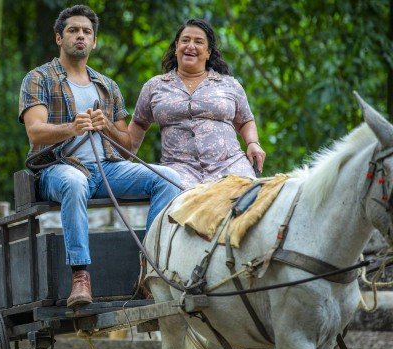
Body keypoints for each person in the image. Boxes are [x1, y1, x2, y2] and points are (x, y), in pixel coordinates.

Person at [18, 5, 182, 308]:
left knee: (169, 178)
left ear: (94, 41)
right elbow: (35, 132)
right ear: (59, 38)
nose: (80, 36)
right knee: (74, 183)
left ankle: (149, 268)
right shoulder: (38, 78)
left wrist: (106, 124)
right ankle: (80, 275)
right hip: (59, 168)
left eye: (86, 32)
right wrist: (72, 127)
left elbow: (127, 147)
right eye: (73, 30)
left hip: (108, 168)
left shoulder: (107, 86)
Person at [128, 18, 266, 191]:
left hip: (230, 166)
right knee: (181, 207)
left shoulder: (229, 84)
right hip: (178, 171)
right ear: (177, 47)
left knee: (245, 203)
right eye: (185, 40)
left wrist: (253, 143)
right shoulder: (155, 86)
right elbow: (139, 124)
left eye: (198, 42)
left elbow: (245, 120)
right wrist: (122, 163)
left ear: (208, 52)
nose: (190, 46)